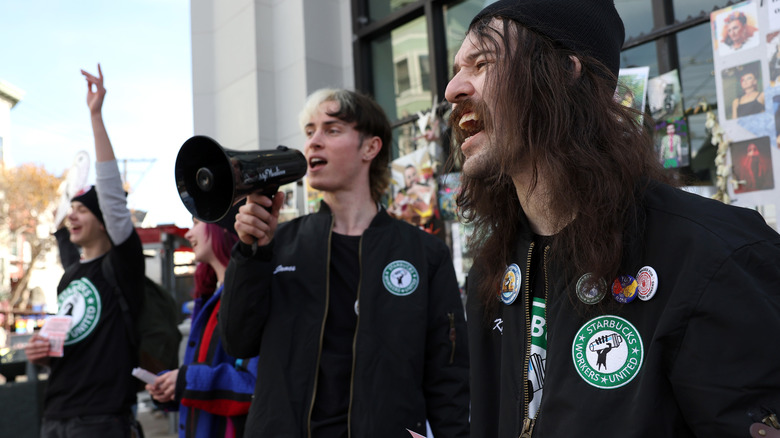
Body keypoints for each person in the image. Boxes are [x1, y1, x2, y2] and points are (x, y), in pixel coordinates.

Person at [445, 1, 780, 437]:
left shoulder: (714, 256)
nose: (453, 88)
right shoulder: (492, 273)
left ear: (564, 71)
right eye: (456, 68)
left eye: (483, 62)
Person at [219, 88, 469, 437]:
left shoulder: (424, 254)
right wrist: (250, 255)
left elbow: (449, 379)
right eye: (309, 132)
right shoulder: (278, 244)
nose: (314, 142)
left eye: (332, 129)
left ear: (371, 147)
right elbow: (237, 341)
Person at [24, 64, 145, 437]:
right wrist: (43, 354)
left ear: (105, 221)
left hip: (101, 420)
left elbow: (110, 195)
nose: (72, 218)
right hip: (55, 415)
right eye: (70, 211)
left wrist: (96, 115)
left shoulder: (122, 264)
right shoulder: (71, 275)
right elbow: (70, 346)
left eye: (82, 211)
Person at [146, 210, 259, 438]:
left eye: (196, 223)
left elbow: (254, 388)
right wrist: (172, 386)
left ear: (223, 229)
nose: (188, 234)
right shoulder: (210, 300)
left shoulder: (251, 298)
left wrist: (186, 380)